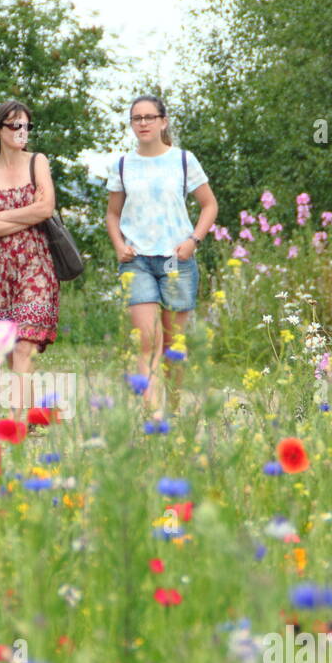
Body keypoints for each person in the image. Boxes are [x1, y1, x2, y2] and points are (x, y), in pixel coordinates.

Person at [106, 95, 218, 420]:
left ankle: (173, 406)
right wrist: (118, 244)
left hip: (176, 261)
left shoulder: (183, 160)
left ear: (163, 121)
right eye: (137, 118)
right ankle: (153, 418)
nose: (143, 123)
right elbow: (113, 214)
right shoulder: (123, 164)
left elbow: (209, 205)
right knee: (147, 340)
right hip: (137, 260)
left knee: (173, 346)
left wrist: (193, 240)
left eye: (149, 117)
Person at [0, 99, 60, 423]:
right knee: (12, 348)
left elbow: (46, 209)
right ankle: (32, 414)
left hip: (36, 263)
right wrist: (27, 215)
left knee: (25, 344)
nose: (22, 131)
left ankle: (16, 421)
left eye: (26, 126)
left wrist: (4, 215)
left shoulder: (38, 162)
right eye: (14, 125)